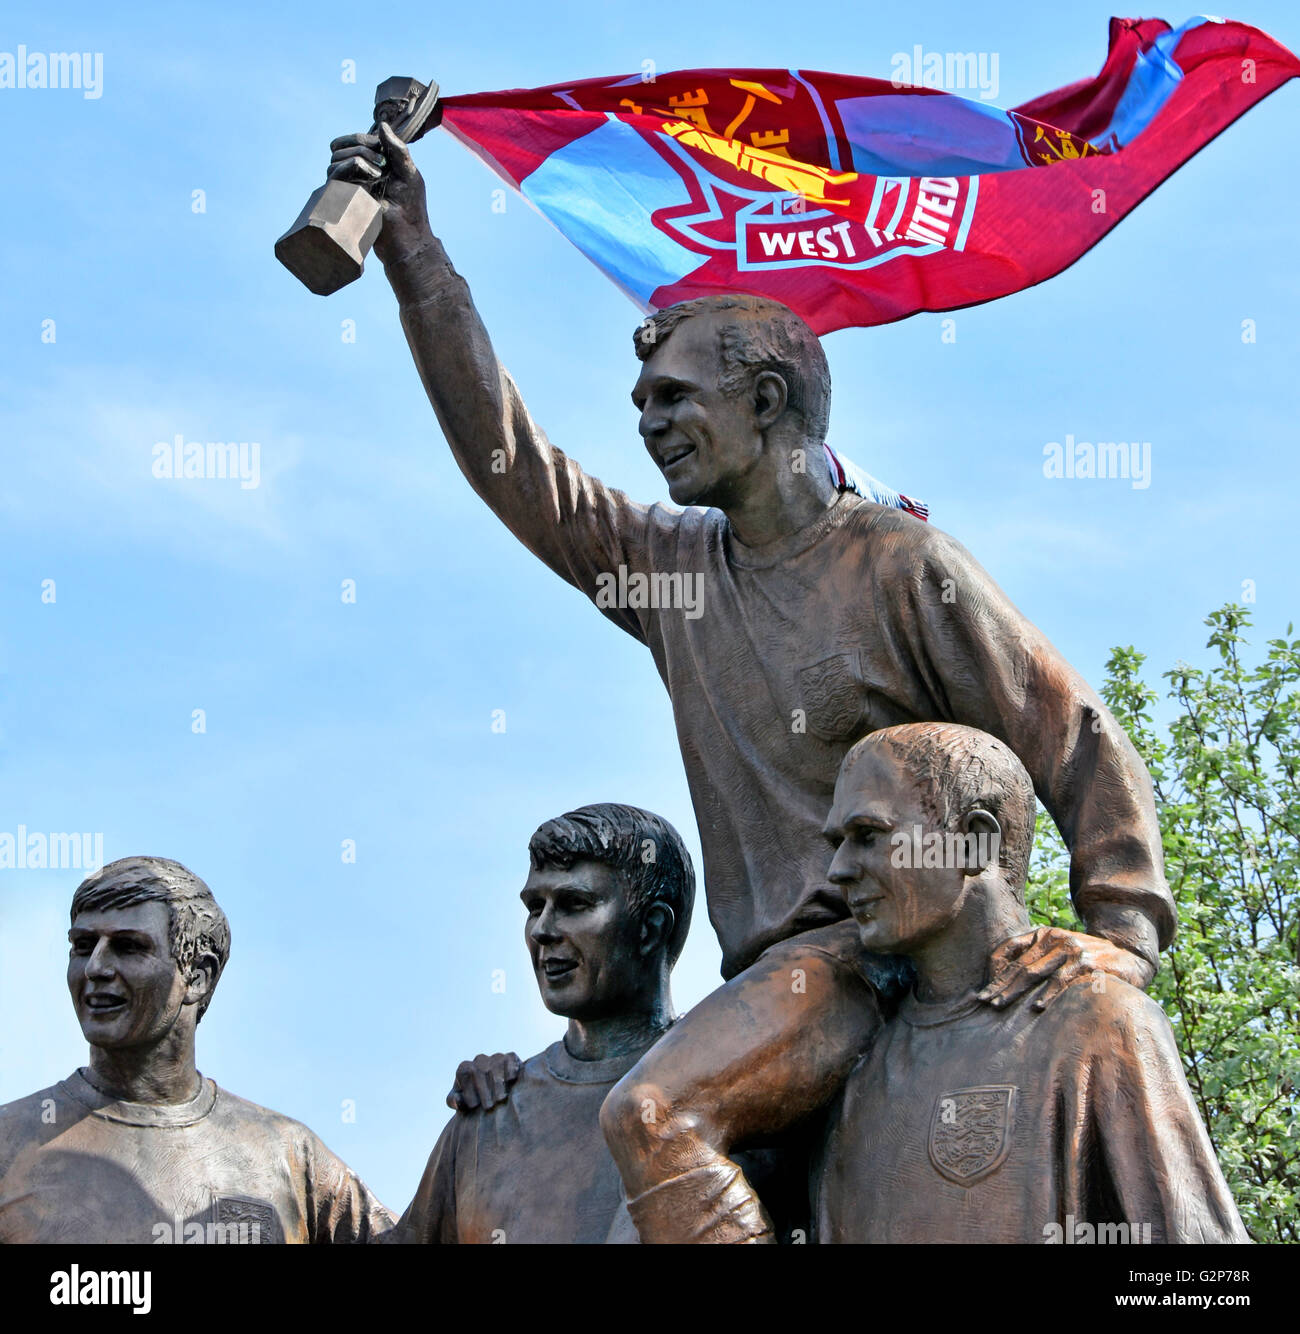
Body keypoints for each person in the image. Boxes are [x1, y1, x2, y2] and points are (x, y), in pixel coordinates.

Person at [325, 120, 1175, 1242]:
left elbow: (1069, 732)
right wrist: (415, 255)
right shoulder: (670, 570)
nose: (650, 426)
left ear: (766, 402)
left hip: (873, 957)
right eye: (641, 410)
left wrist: (1118, 931)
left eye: (675, 401)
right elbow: (513, 463)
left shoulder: (900, 565)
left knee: (657, 1113)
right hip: (763, 985)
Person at [814, 723, 1248, 1244]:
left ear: (973, 842)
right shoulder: (855, 1057)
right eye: (838, 843)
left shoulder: (1100, 1023)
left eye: (867, 836)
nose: (838, 869)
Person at [0, 856, 392, 1244]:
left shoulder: (285, 1153)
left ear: (198, 976)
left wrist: (456, 1138)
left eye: (128, 947)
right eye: (84, 946)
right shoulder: (8, 1142)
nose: (95, 967)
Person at [386, 805, 693, 1244]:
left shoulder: (725, 1087)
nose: (542, 930)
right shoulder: (486, 1119)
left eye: (574, 904)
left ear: (650, 928)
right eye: (535, 907)